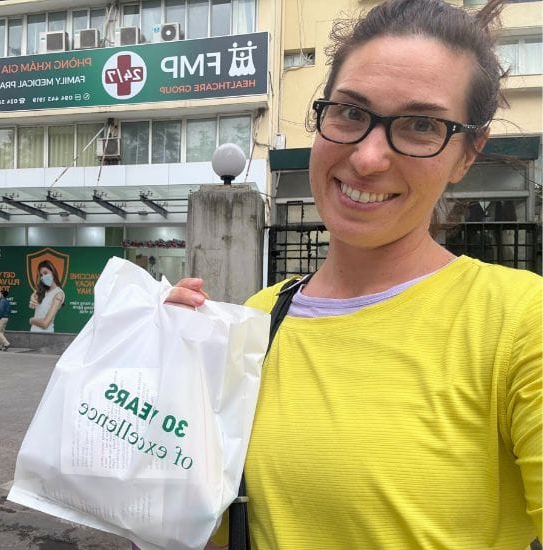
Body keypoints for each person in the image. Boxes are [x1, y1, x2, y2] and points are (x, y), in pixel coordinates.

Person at [166, 0, 540, 547]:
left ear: (466, 154)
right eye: (350, 112)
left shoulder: (520, 323)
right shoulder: (259, 315)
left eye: (420, 125)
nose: (367, 158)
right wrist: (159, 382)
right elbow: (198, 522)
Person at [29, 260, 65, 333]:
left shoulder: (59, 294)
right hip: (33, 333)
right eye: (41, 275)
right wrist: (32, 299)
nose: (43, 277)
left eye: (45, 273)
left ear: (53, 272)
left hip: (46, 336)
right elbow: (33, 300)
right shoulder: (42, 291)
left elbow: (45, 323)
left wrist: (31, 320)